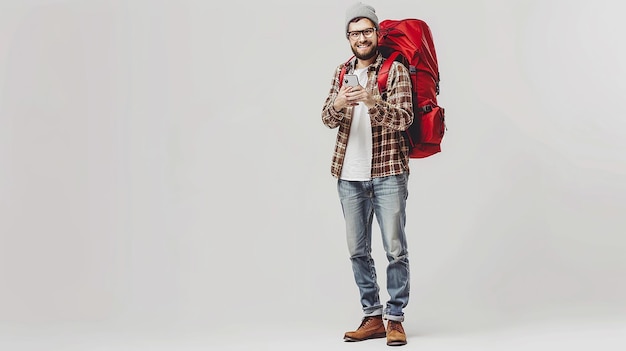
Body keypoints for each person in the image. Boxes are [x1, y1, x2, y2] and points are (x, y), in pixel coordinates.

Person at [321, 2, 414, 347]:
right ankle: (372, 316)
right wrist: (339, 104)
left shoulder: (395, 70)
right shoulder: (341, 72)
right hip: (349, 175)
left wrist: (374, 102)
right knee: (358, 250)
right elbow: (326, 118)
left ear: (377, 33)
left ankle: (395, 318)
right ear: (348, 37)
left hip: (388, 171)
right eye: (354, 32)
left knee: (395, 250)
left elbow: (405, 118)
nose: (361, 38)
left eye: (366, 31)